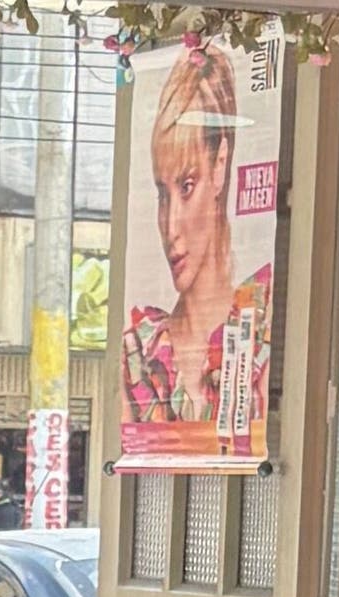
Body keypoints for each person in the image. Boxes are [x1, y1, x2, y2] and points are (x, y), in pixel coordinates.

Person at [120, 43, 274, 435]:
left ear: (220, 164)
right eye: (161, 193)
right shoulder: (140, 349)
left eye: (187, 186)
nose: (170, 226)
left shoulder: (262, 322)